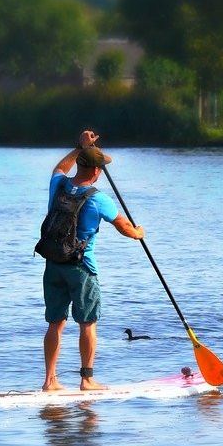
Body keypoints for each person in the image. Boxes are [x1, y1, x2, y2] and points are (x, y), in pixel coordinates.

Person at [41, 130, 145, 392]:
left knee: (55, 323)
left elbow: (59, 168)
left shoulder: (58, 186)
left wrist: (80, 147)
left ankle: (50, 381)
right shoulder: (98, 198)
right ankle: (87, 380)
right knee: (87, 323)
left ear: (79, 164)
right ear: (97, 171)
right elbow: (123, 226)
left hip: (53, 264)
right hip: (82, 269)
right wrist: (138, 233)